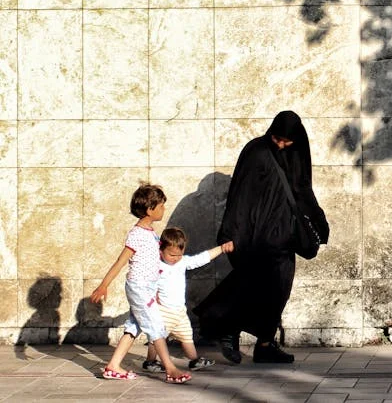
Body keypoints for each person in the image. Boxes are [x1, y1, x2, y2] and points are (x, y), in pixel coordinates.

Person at [194, 110, 329, 364]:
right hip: (258, 235)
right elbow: (240, 195)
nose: (280, 144)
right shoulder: (256, 152)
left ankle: (263, 343)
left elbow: (302, 190)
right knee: (253, 285)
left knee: (277, 290)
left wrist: (319, 223)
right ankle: (228, 330)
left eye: (286, 141)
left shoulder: (296, 154)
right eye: (277, 138)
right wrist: (230, 233)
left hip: (284, 235)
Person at [89, 183, 192, 384]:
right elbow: (120, 261)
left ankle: (113, 366)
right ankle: (170, 368)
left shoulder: (151, 233)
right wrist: (104, 285)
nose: (164, 209)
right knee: (156, 326)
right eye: (161, 206)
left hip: (147, 288)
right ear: (149, 209)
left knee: (134, 326)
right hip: (139, 287)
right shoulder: (137, 234)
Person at [142, 227, 234, 373]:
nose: (176, 258)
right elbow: (146, 284)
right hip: (163, 310)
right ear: (160, 250)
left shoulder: (182, 262)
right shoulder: (156, 265)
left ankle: (194, 360)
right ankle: (150, 361)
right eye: (172, 254)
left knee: (187, 336)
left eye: (179, 254)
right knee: (156, 338)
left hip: (180, 312)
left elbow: (202, 258)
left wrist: (221, 248)